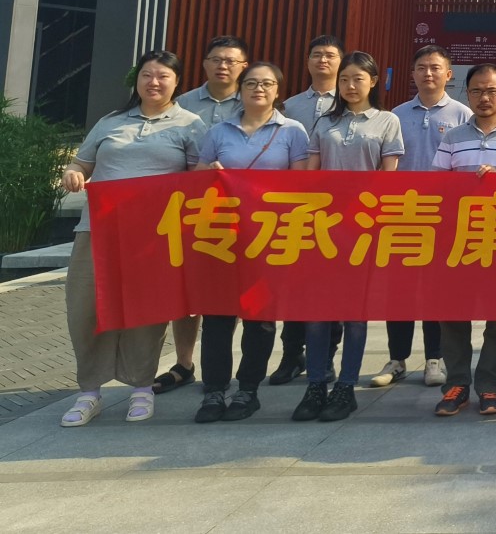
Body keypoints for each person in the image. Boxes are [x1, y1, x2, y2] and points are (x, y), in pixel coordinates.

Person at [58, 50, 206, 427]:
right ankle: (89, 391)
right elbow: (82, 162)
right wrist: (73, 172)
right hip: (98, 230)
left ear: (177, 82)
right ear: (137, 79)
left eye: (163, 76)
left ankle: (141, 387)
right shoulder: (110, 121)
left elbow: (199, 179)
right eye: (146, 75)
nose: (153, 82)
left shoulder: (191, 124)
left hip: (154, 237)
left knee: (147, 310)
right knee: (86, 307)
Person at [194, 61, 312, 423]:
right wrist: (210, 174)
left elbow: (299, 186)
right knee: (217, 316)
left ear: (278, 91)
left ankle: (248, 389)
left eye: (266, 84)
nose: (258, 89)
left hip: (268, 237)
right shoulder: (219, 131)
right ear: (240, 89)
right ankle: (214, 390)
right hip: (222, 236)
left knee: (259, 318)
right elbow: (197, 178)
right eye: (251, 83)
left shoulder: (293, 131)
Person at [294, 51, 404, 422]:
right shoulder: (325, 122)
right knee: (317, 313)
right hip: (324, 229)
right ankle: (316, 384)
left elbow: (389, 178)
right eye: (344, 79)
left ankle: (346, 386)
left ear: (373, 81)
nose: (350, 85)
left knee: (356, 315)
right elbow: (311, 174)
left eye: (358, 78)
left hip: (363, 231)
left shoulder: (387, 121)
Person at [430, 63, 496, 417]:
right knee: (453, 314)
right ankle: (456, 385)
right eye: (476, 91)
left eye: (491, 91)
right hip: (459, 240)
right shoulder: (452, 137)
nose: (484, 97)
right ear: (467, 95)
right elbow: (437, 186)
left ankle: (489, 385)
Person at [373, 46, 473, 389]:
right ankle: (397, 358)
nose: (428, 74)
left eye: (435, 68)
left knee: (435, 289)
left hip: (444, 216)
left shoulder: (462, 114)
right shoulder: (395, 115)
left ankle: (435, 357)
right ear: (412, 74)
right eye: (421, 68)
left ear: (449, 74)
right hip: (402, 213)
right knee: (399, 289)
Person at [155, 34, 249, 396]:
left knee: (231, 291)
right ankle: (184, 363)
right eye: (216, 59)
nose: (223, 66)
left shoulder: (255, 98)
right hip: (189, 209)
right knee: (187, 288)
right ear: (205, 63)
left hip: (239, 213)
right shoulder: (182, 103)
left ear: (243, 66)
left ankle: (224, 363)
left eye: (231, 61)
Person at [272, 34, 345, 388]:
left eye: (330, 55)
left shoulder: (349, 103)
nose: (323, 60)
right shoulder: (288, 106)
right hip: (296, 211)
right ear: (307, 61)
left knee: (333, 290)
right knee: (295, 287)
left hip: (339, 212)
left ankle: (326, 356)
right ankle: (291, 355)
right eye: (317, 54)